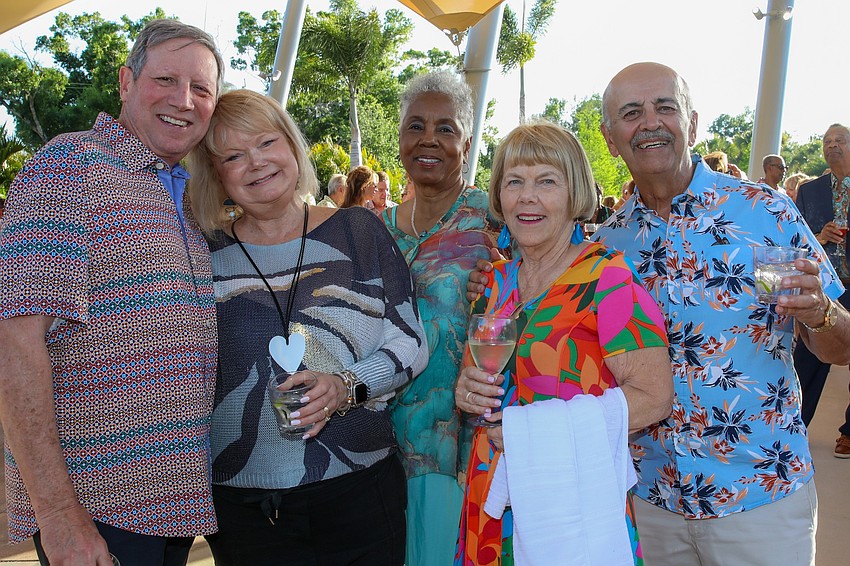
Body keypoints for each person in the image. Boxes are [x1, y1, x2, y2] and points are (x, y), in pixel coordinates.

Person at [595, 62, 850, 566]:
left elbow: (839, 346)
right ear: (609, 138)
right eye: (631, 113)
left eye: (665, 107)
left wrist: (819, 313)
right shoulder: (607, 247)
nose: (650, 122)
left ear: (691, 123)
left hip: (760, 497)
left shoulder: (766, 214)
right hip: (651, 502)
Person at [0, 19, 224, 566]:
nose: (184, 101)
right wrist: (57, 516)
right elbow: (14, 342)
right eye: (166, 80)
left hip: (172, 508)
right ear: (126, 82)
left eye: (202, 90)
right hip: (97, 510)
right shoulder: (69, 167)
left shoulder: (183, 193)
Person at [186, 89, 428, 565]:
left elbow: (411, 342)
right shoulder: (202, 252)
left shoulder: (359, 231)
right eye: (234, 155)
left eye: (266, 143)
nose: (256, 163)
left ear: (293, 146)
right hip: (243, 509)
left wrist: (346, 387)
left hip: (359, 489)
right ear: (217, 174)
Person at [454, 121, 673, 566]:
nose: (527, 196)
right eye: (514, 182)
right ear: (499, 195)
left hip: (569, 500)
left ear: (575, 195)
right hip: (491, 489)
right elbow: (475, 377)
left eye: (546, 181)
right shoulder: (495, 282)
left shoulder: (607, 281)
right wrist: (465, 392)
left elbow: (655, 398)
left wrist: (536, 433)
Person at [380, 70, 501, 566]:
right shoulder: (374, 228)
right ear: (401, 137)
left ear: (467, 142)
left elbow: (535, 306)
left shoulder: (496, 220)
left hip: (458, 452)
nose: (429, 139)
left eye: (445, 128)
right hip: (375, 451)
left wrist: (497, 291)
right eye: (416, 126)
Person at [793, 124, 850, 457]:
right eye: (827, 142)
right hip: (827, 286)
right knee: (810, 357)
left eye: (840, 141)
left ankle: (848, 432)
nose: (833, 146)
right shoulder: (810, 191)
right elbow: (795, 238)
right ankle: (794, 427)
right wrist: (820, 234)